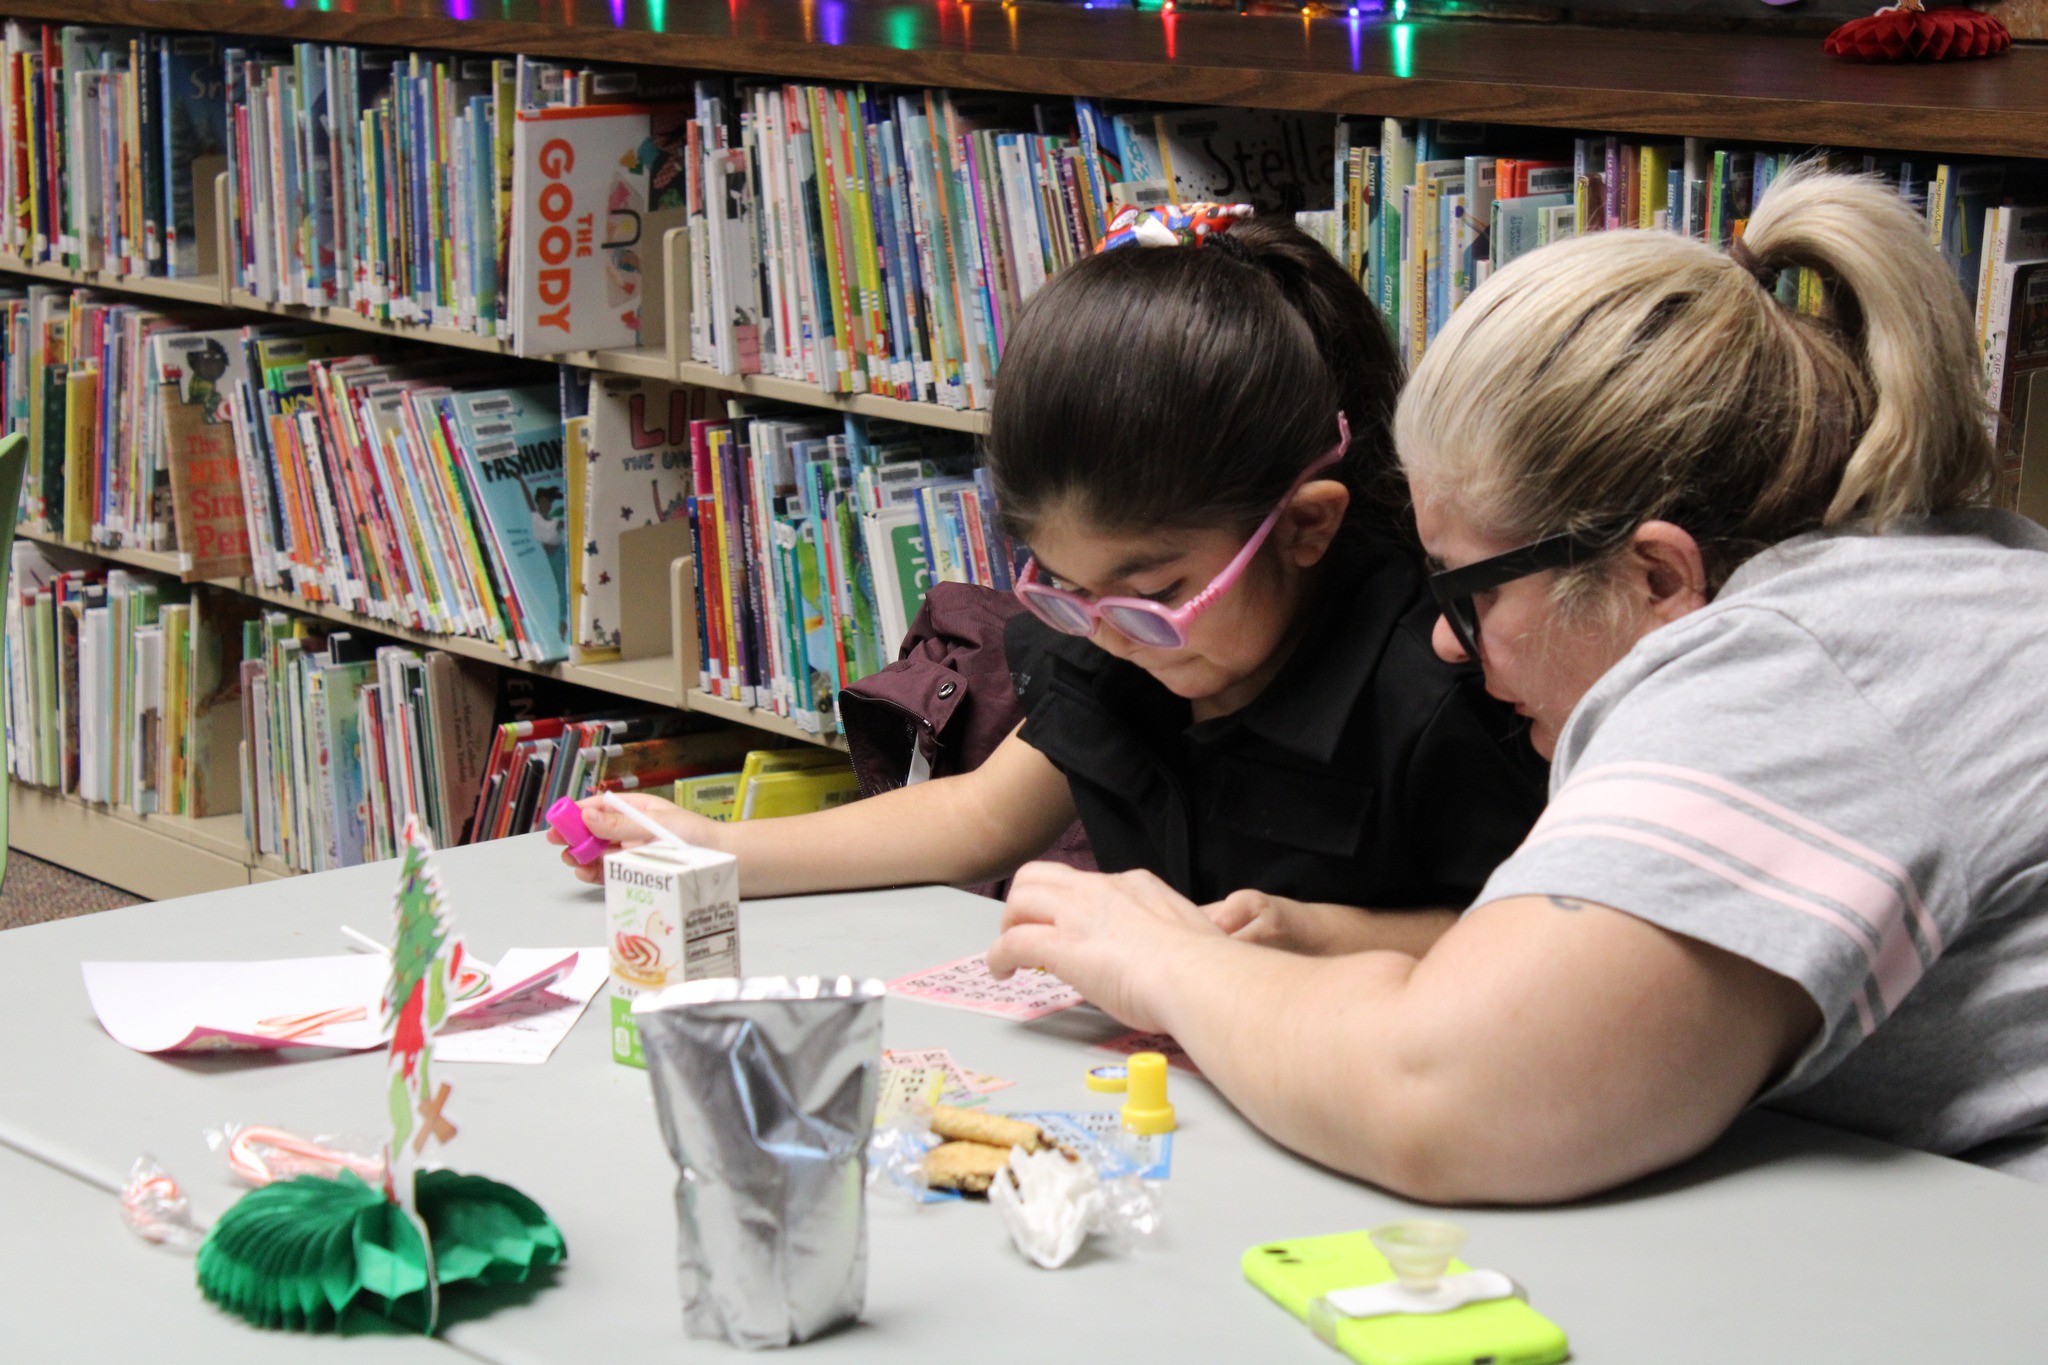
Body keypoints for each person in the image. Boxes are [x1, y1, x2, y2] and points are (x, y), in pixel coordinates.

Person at [987, 168, 2048, 1202]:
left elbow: (1442, 1100)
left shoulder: (1789, 675)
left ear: (1653, 575)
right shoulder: (1927, 588)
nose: (1447, 648)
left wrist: (1163, 959)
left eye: (1470, 595)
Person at [553, 208, 1547, 953]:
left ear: (1302, 528)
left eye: (1151, 593)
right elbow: (976, 817)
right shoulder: (1117, 644)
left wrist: (1304, 934)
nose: (1107, 632)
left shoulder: (1441, 687)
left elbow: (1522, 944)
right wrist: (708, 848)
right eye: (1064, 589)